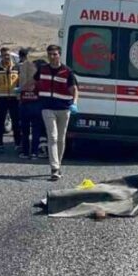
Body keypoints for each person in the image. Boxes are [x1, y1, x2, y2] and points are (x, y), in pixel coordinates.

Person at [34, 44, 78, 181]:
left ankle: (58, 164)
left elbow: (75, 90)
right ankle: (54, 167)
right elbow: (34, 82)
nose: (52, 57)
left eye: (55, 54)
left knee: (60, 138)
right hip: (47, 107)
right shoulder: (43, 70)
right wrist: (22, 89)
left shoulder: (67, 71)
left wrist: (74, 103)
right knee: (52, 137)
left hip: (64, 108)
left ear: (59, 55)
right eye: (50, 54)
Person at [0, 47, 20, 151]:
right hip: (1, 98)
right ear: (0, 56)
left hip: (14, 99)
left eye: (8, 55)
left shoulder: (17, 67)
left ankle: (17, 143)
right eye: (4, 55)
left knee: (16, 122)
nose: (6, 57)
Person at [17, 49, 44, 160]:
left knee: (26, 130)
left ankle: (25, 152)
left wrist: (19, 91)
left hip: (26, 104)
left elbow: (21, 88)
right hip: (36, 105)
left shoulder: (24, 70)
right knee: (35, 130)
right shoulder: (41, 77)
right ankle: (34, 153)